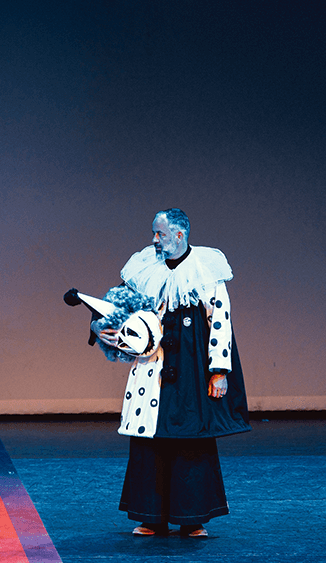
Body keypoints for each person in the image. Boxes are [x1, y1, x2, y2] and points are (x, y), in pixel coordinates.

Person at [94, 208, 249, 537]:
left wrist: (219, 371)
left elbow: (220, 321)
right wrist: (101, 324)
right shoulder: (145, 267)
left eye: (160, 233)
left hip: (191, 366)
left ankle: (192, 518)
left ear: (180, 234)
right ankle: (150, 516)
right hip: (153, 365)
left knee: (191, 437)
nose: (154, 239)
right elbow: (118, 305)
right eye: (154, 232)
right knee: (150, 438)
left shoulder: (206, 269)